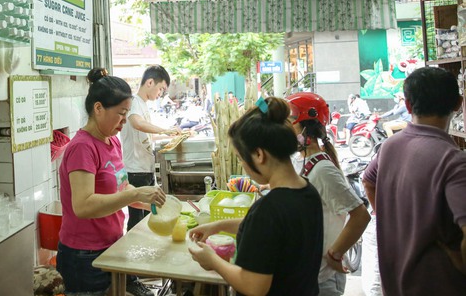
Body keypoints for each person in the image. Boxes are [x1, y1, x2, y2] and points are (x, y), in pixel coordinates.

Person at [187, 97, 324, 296]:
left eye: (242, 159)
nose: (244, 166)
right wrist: (219, 225)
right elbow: (274, 232)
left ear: (259, 155)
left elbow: (254, 286)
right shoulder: (307, 192)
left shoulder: (269, 209)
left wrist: (212, 260)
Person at [57, 68, 167, 296]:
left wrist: (155, 205)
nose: (125, 121)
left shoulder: (112, 141)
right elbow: (83, 206)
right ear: (98, 108)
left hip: (111, 245)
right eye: (121, 113)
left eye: (127, 113)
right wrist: (134, 195)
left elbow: (123, 187)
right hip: (83, 256)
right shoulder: (82, 148)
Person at [362, 67, 466, 295]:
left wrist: (397, 223)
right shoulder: (453, 161)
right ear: (459, 103)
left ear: (407, 106)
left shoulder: (389, 146)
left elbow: (368, 182)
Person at [287, 92, 371, 296]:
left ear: (304, 127)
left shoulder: (323, 169)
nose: (284, 130)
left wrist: (335, 253)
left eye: (290, 122)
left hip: (323, 278)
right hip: (308, 273)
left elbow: (361, 215)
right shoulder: (303, 160)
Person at [120, 65, 180, 231]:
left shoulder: (143, 105)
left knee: (147, 218)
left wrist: (170, 135)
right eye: (160, 89)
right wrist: (165, 130)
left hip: (145, 169)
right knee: (137, 220)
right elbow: (137, 124)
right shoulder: (133, 102)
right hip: (135, 171)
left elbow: (148, 136)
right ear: (150, 82)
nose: (160, 94)